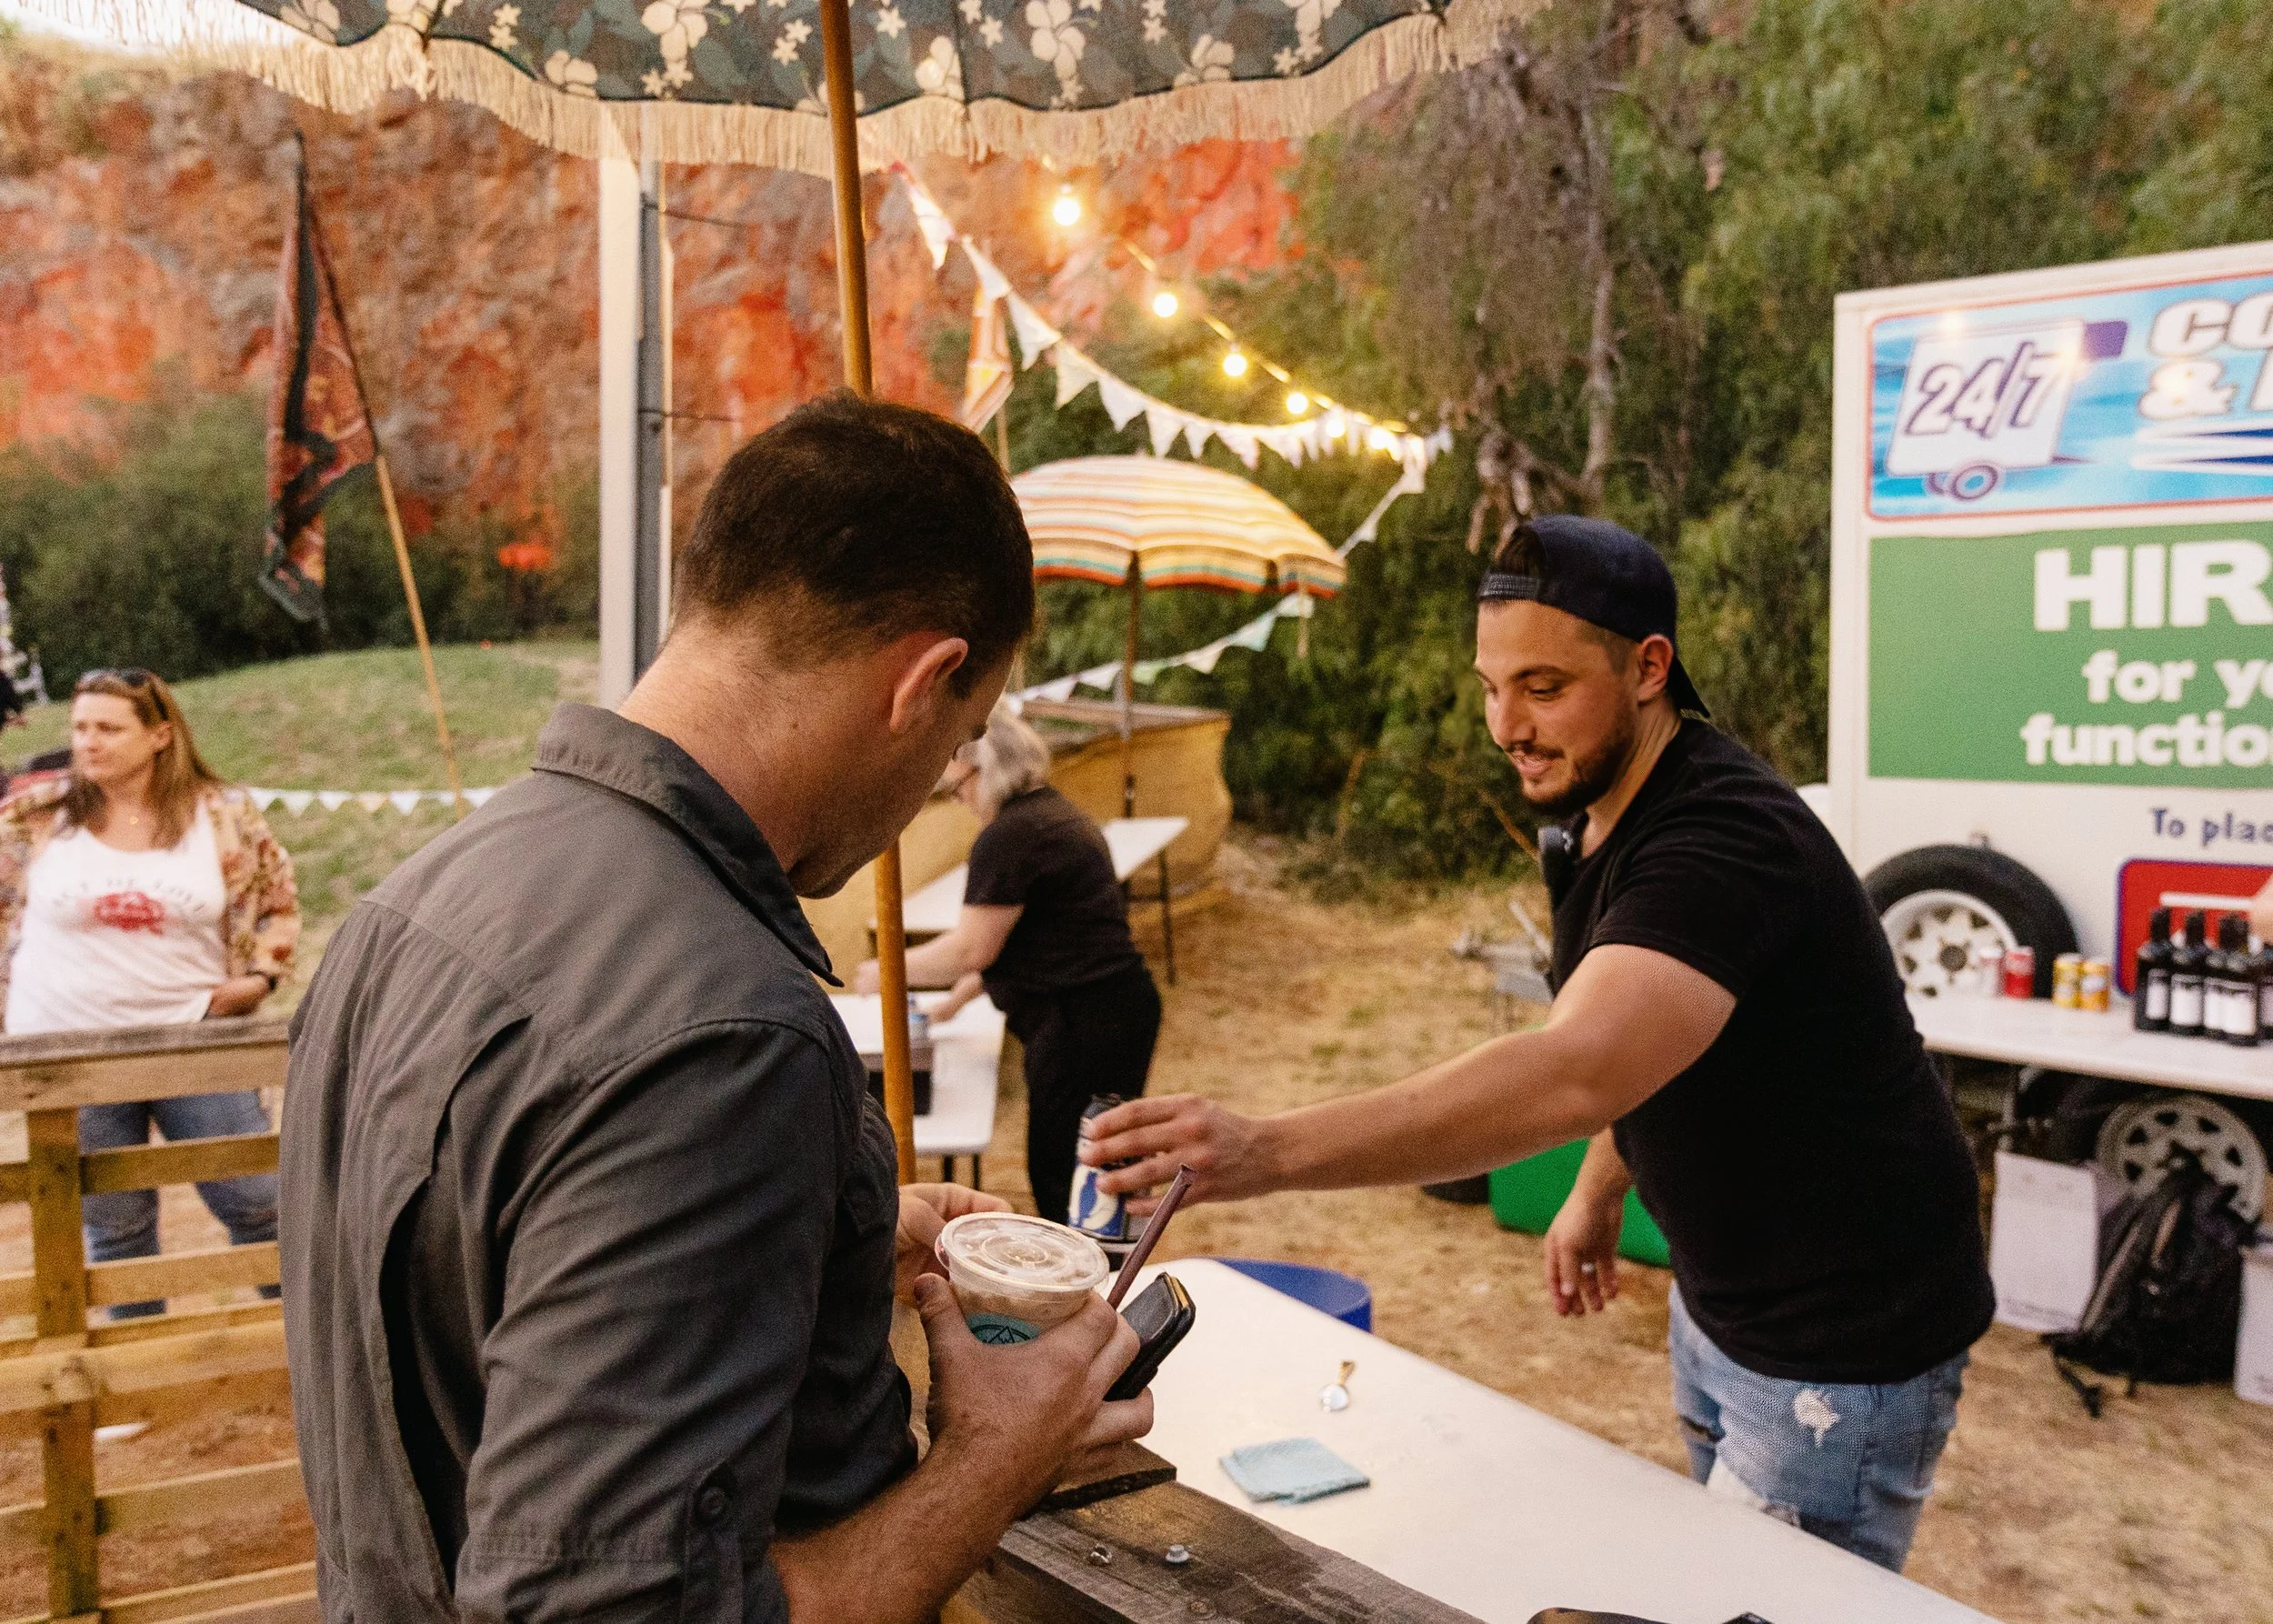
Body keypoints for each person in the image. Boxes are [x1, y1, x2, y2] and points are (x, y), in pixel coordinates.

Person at [281, 395, 1150, 1624]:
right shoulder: (725, 1035)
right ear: (926, 681)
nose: (934, 791)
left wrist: (821, 1239)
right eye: (960, 738)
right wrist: (996, 1454)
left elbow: (488, 1284)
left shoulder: (409, 905)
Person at [1083, 516, 1994, 1573]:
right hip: (1727, 1295)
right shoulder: (1595, 815)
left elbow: (1576, 1066)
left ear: (1649, 666)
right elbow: (1659, 1041)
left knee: (1772, 1597)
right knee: (1724, 1562)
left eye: (1544, 687)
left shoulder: (1721, 841)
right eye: (1489, 685)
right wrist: (1601, 1185)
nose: (1504, 723)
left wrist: (1265, 1151)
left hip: (1842, 1341)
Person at [0, 668, 297, 1316]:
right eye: (80, 727)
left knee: (256, 1197)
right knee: (114, 1219)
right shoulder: (36, 815)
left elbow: (278, 899)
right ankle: (126, 1381)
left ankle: (304, 1354)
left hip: (188, 1033)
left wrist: (262, 977)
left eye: (109, 727)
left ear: (160, 735)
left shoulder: (221, 814)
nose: (89, 742)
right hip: (62, 1052)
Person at [857, 702, 1161, 1225]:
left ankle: (1096, 1288)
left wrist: (886, 968)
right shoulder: (1052, 814)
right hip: (1114, 1010)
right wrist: (959, 998)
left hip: (1082, 1022)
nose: (961, 798)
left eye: (960, 785)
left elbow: (972, 948)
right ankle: (1109, 1273)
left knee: (1068, 1176)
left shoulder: (1009, 836)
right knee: (1099, 1172)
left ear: (987, 767)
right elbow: (1034, 937)